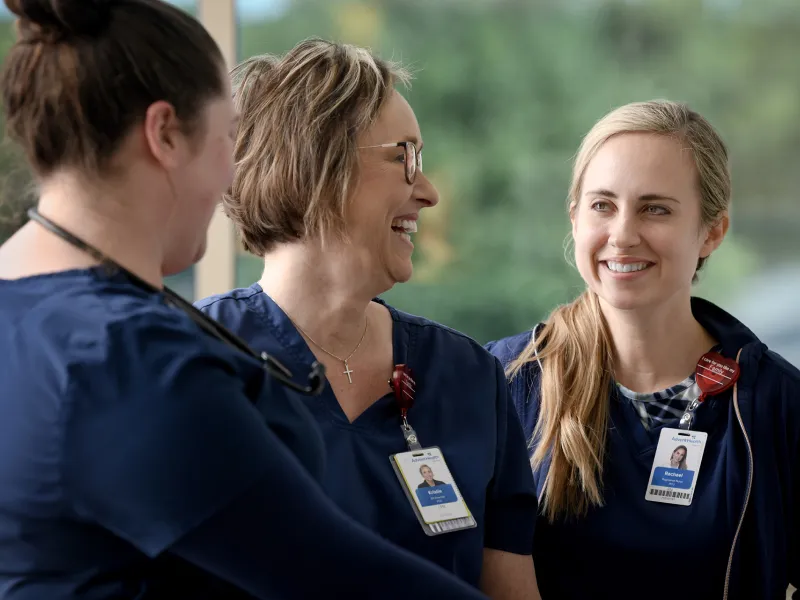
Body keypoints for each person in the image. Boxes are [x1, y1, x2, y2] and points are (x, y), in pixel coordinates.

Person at [0, 1, 497, 598]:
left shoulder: (32, 316)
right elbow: (336, 578)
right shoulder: (127, 361)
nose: (236, 174)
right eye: (228, 137)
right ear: (163, 135)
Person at [196, 39, 540, 599]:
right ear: (315, 163)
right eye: (404, 156)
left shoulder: (468, 378)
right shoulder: (193, 363)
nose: (427, 191)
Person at [485, 100, 800, 600]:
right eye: (602, 205)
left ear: (712, 232)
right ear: (574, 218)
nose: (623, 235)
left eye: (655, 209)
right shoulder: (501, 382)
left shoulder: (777, 405)